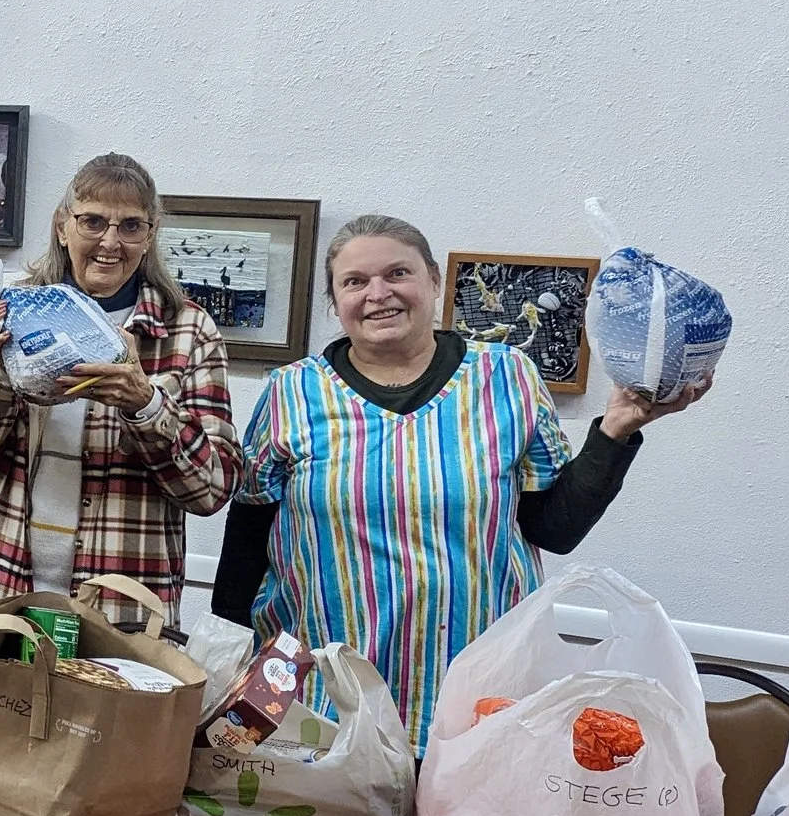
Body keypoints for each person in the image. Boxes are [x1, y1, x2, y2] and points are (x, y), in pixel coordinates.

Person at [212, 214, 712, 749]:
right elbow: (247, 541)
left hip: (475, 694)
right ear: (335, 302)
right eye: (354, 282)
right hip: (326, 694)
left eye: (397, 273)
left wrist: (615, 432)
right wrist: (222, 669)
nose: (378, 294)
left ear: (434, 280)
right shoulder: (291, 393)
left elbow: (553, 529)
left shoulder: (507, 377)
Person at [0, 153, 240, 631]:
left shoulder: (188, 331)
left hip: (119, 609)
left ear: (149, 236)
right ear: (63, 227)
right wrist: (0, 381)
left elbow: (211, 490)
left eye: (131, 226)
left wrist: (144, 404)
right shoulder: (4, 314)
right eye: (93, 221)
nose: (111, 241)